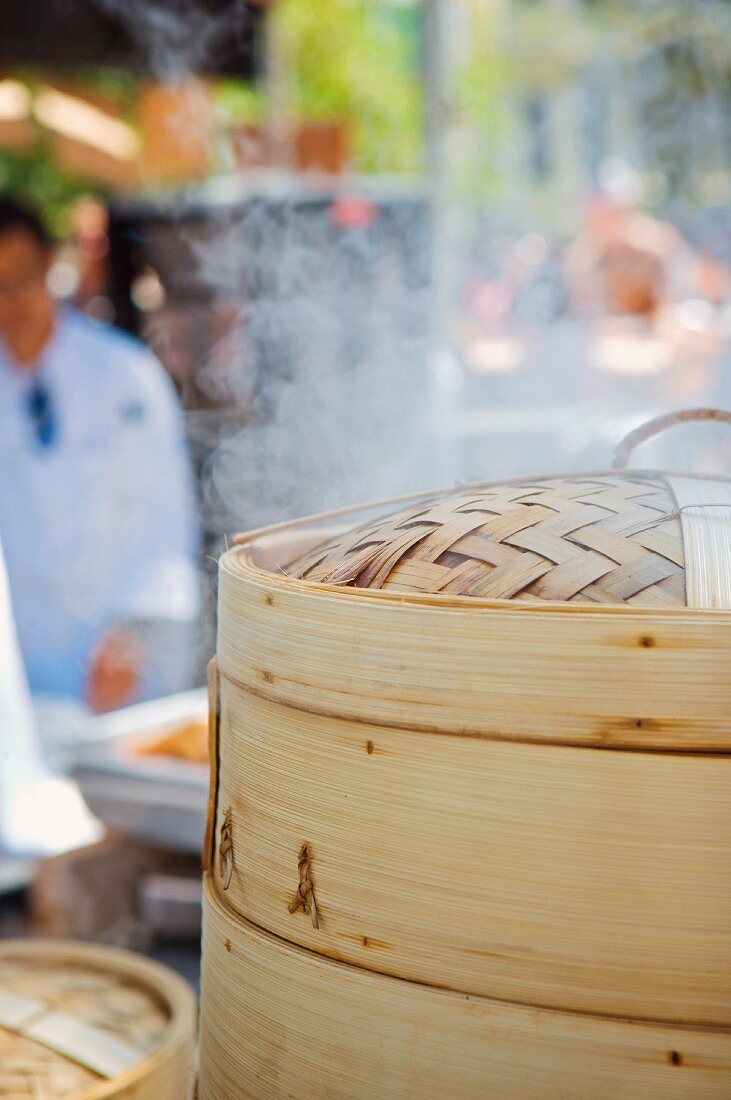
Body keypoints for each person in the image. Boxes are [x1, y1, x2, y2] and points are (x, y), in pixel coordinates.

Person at [0, 197, 200, 712]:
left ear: (47, 263)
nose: (10, 301)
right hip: (19, 663)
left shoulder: (123, 374)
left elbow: (163, 516)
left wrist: (133, 631)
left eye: (20, 279)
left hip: (116, 659)